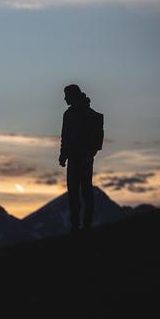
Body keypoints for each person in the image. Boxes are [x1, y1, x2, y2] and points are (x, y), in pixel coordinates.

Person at [58, 84, 104, 234]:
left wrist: (89, 152)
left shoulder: (87, 113)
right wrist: (63, 155)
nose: (65, 98)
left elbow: (96, 134)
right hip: (73, 158)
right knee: (74, 193)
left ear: (73, 95)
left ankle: (86, 225)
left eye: (67, 95)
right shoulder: (69, 114)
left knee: (85, 191)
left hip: (83, 158)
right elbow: (65, 137)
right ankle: (76, 226)